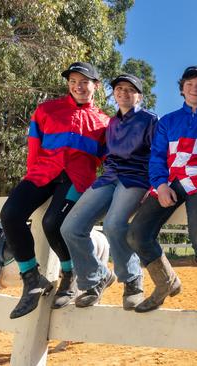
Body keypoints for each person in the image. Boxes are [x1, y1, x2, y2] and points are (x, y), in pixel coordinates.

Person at [0, 62, 109, 318]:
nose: (78, 87)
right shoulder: (46, 111)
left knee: (52, 223)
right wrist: (29, 180)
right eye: (73, 81)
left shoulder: (105, 123)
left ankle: (69, 275)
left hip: (77, 178)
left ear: (96, 85)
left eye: (84, 82)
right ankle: (31, 278)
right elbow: (34, 146)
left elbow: (110, 161)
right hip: (42, 173)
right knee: (10, 214)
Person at [126, 66, 197, 316]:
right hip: (171, 181)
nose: (195, 88)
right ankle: (165, 282)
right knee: (136, 233)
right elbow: (157, 156)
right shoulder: (167, 121)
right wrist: (160, 185)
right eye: (190, 83)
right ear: (182, 89)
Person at [60, 74, 157, 310]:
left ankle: (133, 280)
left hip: (135, 178)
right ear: (114, 93)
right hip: (110, 177)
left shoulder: (151, 120)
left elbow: (159, 155)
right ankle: (96, 277)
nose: (123, 92)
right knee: (70, 227)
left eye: (130, 89)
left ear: (140, 96)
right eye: (119, 88)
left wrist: (155, 185)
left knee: (114, 225)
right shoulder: (111, 123)